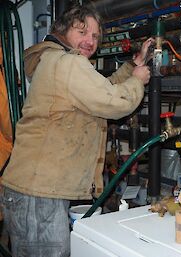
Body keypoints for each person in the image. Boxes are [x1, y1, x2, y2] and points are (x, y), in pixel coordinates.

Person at [1, 4, 153, 257]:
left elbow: (99, 92)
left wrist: (131, 67)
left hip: (33, 192)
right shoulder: (66, 63)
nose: (89, 41)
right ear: (62, 30)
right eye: (82, 32)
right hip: (38, 196)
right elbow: (114, 102)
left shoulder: (55, 61)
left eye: (95, 36)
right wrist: (137, 80)